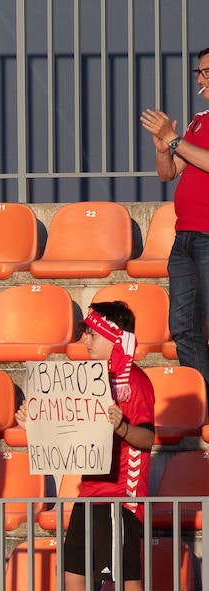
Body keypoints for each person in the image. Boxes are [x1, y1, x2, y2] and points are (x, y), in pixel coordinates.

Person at [20, 302, 155, 591]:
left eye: (90, 334)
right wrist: (35, 419)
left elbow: (147, 438)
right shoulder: (88, 378)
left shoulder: (135, 383)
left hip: (121, 496)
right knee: (73, 576)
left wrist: (122, 425)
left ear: (113, 335)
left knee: (128, 581)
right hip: (89, 492)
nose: (83, 341)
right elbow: (65, 428)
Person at [141, 49, 209, 395]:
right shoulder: (199, 122)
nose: (199, 79)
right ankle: (203, 401)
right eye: (199, 73)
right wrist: (162, 148)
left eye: (206, 72)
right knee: (182, 326)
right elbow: (169, 173)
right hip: (185, 238)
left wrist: (174, 139)